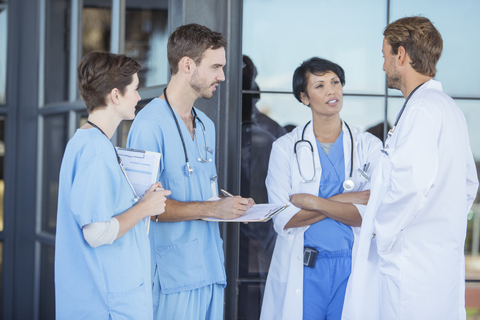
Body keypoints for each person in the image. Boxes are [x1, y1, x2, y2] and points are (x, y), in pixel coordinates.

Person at [341, 16, 479, 320]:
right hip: (435, 264)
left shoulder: (422, 110)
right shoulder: (448, 108)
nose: (382, 66)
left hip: (410, 267)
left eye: (384, 56)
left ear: (401, 55)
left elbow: (412, 186)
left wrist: (382, 232)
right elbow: (470, 183)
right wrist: (443, 223)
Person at [127, 23, 253, 320]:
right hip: (172, 277)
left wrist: (229, 206)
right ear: (187, 65)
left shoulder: (206, 125)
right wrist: (213, 208)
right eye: (215, 67)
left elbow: (202, 189)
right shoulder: (148, 125)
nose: (222, 76)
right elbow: (145, 208)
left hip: (209, 268)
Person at [260, 57, 382, 320]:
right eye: (320, 86)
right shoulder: (284, 148)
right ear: (304, 97)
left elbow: (373, 211)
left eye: (335, 82)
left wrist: (315, 202)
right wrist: (346, 201)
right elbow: (284, 217)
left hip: (350, 269)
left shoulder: (368, 145)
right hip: (304, 270)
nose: (331, 91)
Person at [55, 52, 171, 319]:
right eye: (136, 89)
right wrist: (144, 208)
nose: (140, 97)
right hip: (106, 306)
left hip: (102, 299)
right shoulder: (95, 150)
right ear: (115, 95)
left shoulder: (87, 142)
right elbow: (95, 233)